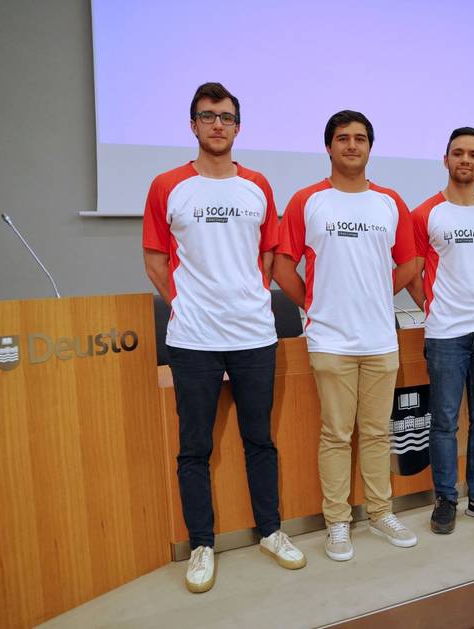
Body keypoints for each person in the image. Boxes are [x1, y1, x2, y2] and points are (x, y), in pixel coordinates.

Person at [142, 82, 305, 594]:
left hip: (254, 334)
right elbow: (155, 258)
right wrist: (186, 301)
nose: (218, 124)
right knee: (194, 447)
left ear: (238, 126)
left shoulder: (257, 185)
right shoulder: (168, 185)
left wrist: (247, 294)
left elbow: (267, 254)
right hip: (192, 338)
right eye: (208, 116)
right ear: (193, 125)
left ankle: (271, 532)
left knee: (260, 439)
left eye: (227, 117)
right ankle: (202, 544)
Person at [273, 110, 418, 562]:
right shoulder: (307, 201)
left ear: (370, 147)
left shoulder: (389, 201)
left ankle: (380, 513)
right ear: (329, 147)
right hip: (330, 341)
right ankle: (337, 522)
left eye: (359, 138)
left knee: (377, 433)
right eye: (342, 138)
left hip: (380, 340)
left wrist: (374, 294)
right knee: (336, 434)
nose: (351, 145)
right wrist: (315, 308)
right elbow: (282, 266)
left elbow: (410, 264)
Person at [408, 127, 474, 534]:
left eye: (473, 154)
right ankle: (446, 499)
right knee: (445, 421)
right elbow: (411, 271)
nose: (465, 160)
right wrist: (431, 303)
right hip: (445, 334)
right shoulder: (425, 213)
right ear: (446, 159)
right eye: (458, 153)